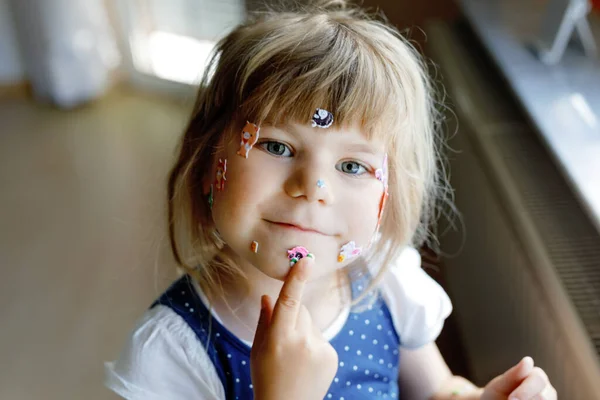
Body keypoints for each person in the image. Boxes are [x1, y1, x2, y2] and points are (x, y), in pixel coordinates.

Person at [104, 1, 557, 399]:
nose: (313, 188)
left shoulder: (384, 281)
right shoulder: (170, 353)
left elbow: (436, 388)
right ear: (206, 163)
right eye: (277, 147)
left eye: (353, 166)